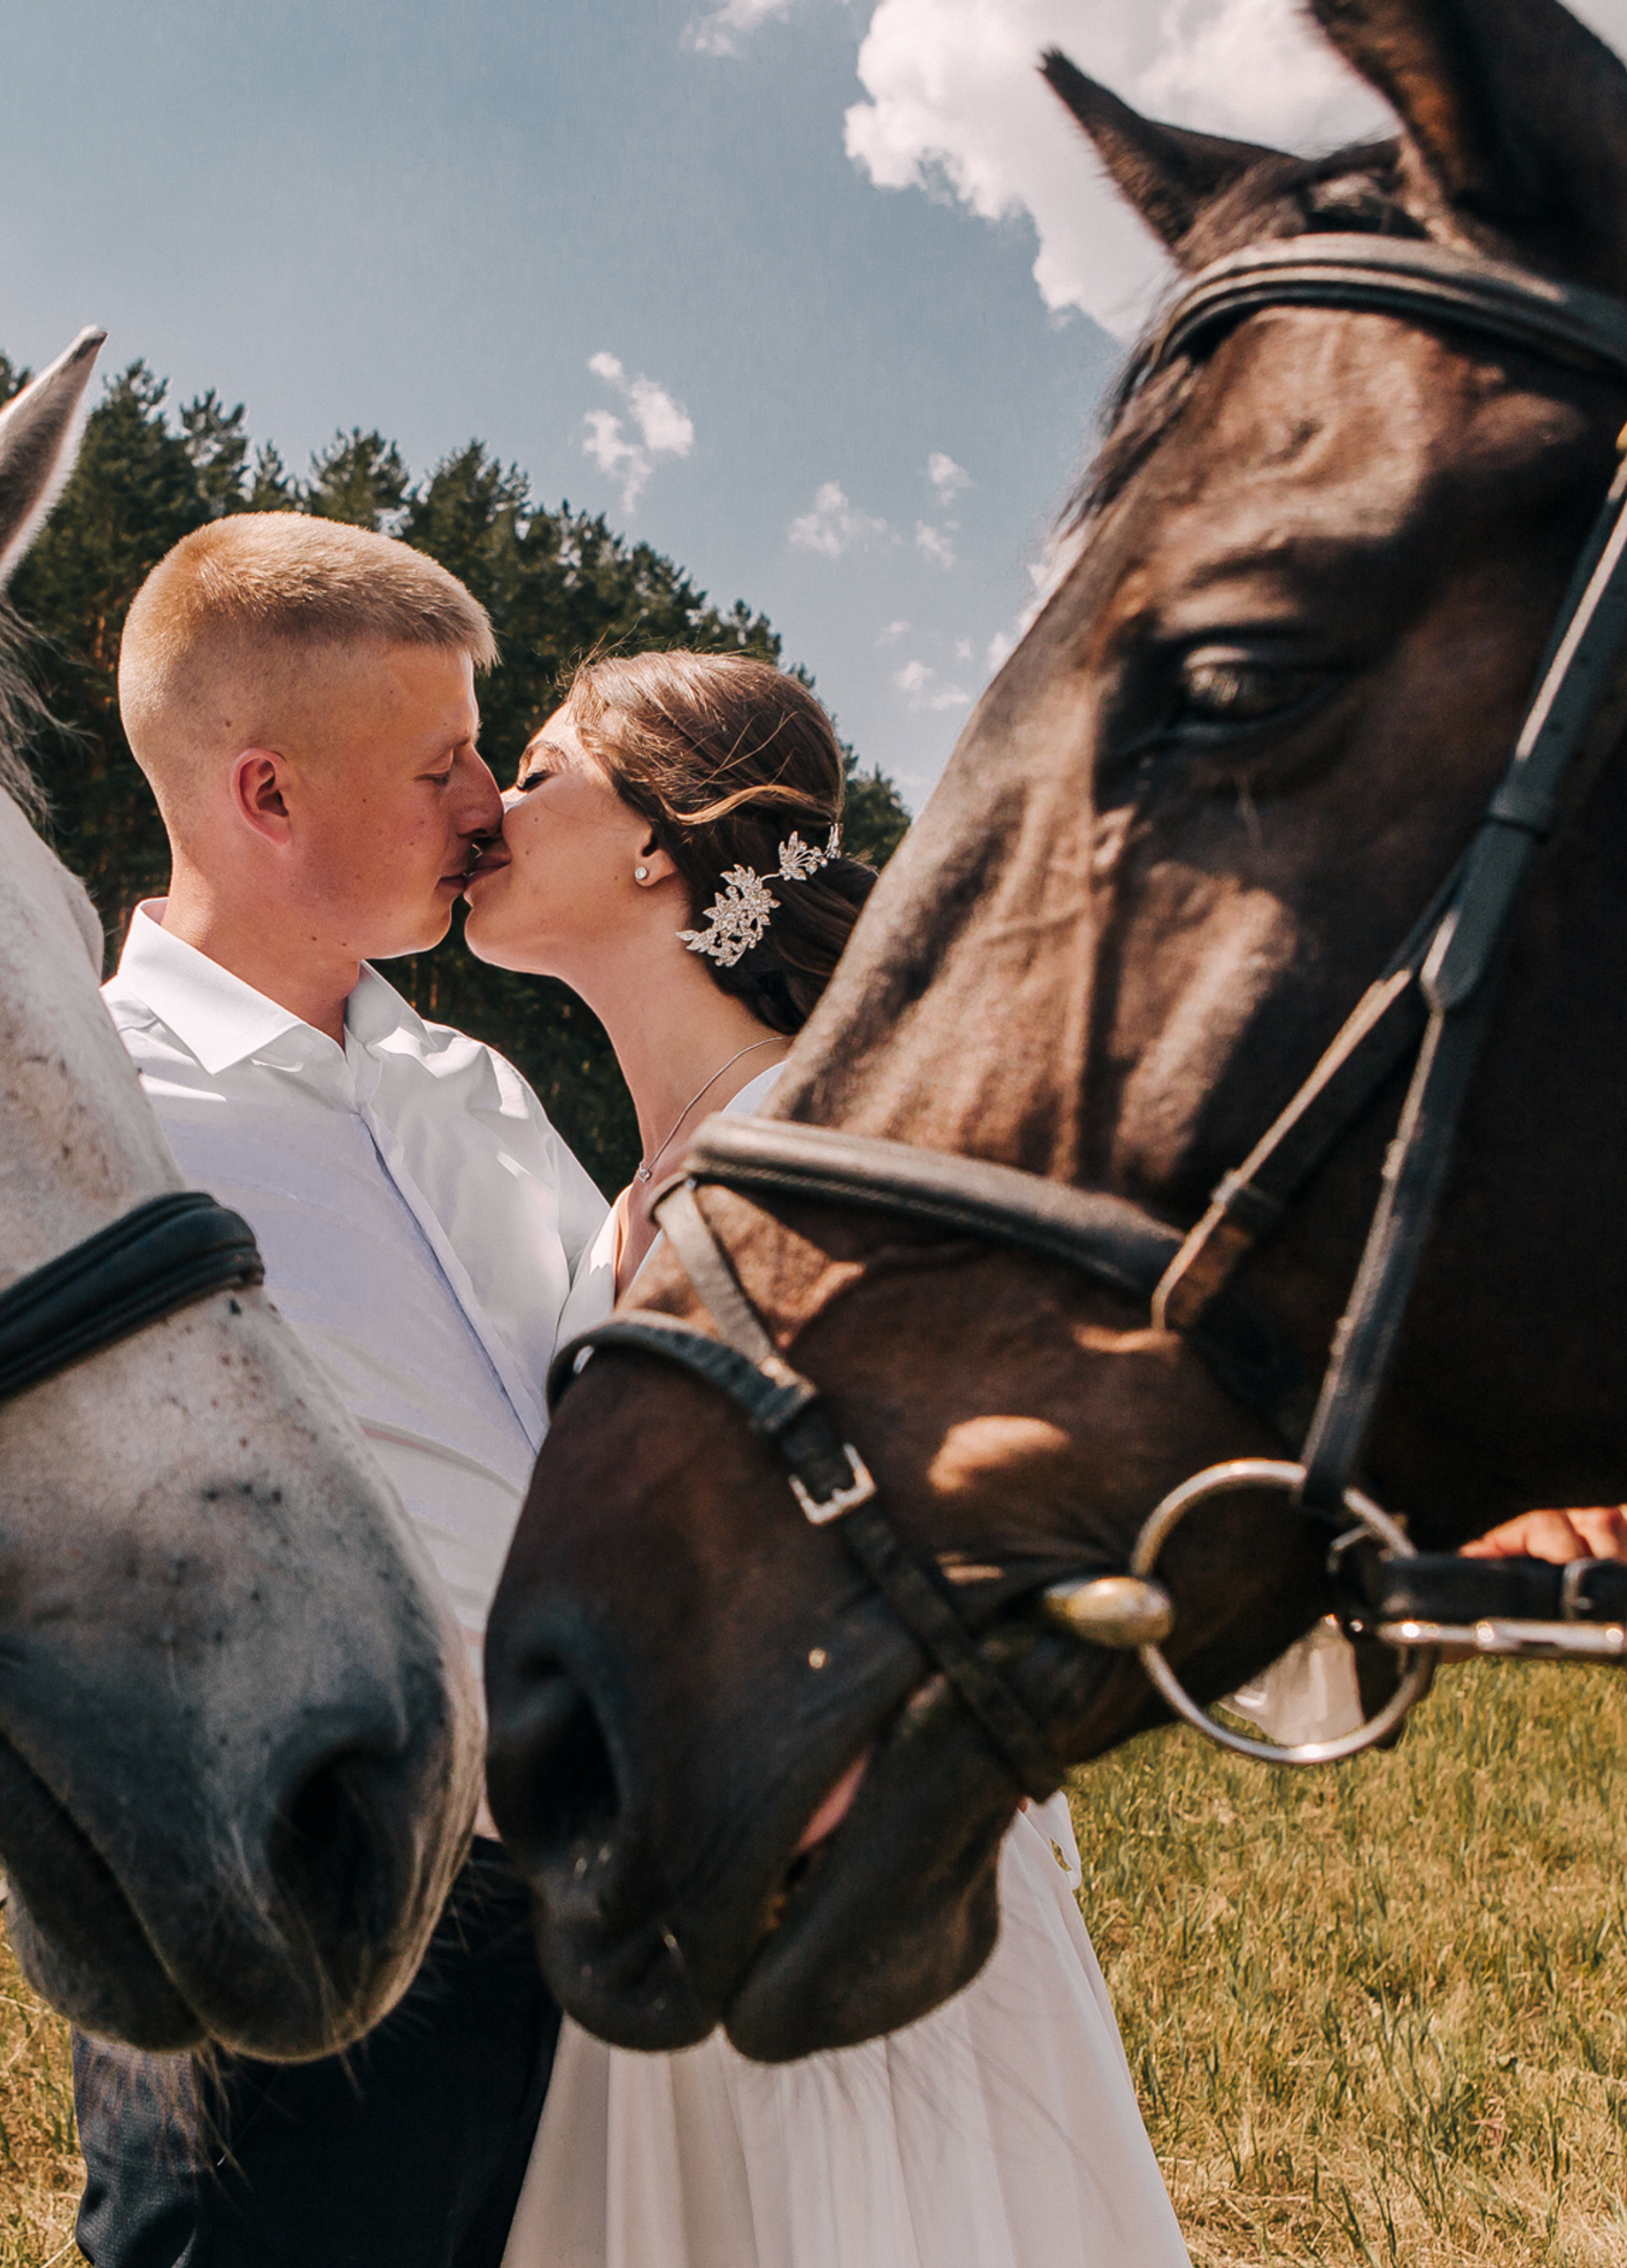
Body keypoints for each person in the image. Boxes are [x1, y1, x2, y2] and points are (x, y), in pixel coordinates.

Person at [462, 649, 1190, 2268]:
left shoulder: (832, 1140)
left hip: (852, 1887)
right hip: (670, 1880)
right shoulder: (625, 1195)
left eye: (539, 767)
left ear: (656, 841)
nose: (493, 804)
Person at [74, 512, 609, 2268]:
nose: (488, 806)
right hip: (296, 1920)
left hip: (596, 1911)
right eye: (441, 764)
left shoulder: (476, 1084)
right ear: (267, 794)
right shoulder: (86, 1120)